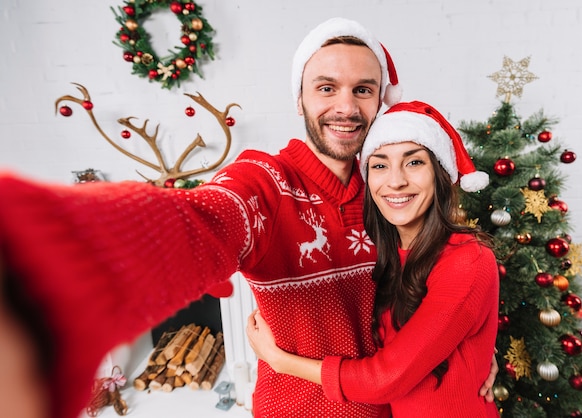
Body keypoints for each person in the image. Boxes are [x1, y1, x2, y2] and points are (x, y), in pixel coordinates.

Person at [0, 18, 495, 418]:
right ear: (299, 98)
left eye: (363, 90)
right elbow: (199, 221)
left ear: (380, 102)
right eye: (326, 88)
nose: (346, 107)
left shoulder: (387, 190)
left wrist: (467, 358)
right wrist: (40, 248)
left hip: (393, 407)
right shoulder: (263, 182)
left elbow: (435, 292)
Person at [247, 100, 500, 417]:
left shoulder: (468, 260)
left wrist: (278, 360)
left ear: (441, 174)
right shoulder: (379, 253)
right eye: (380, 165)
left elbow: (387, 378)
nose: (395, 181)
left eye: (414, 163)